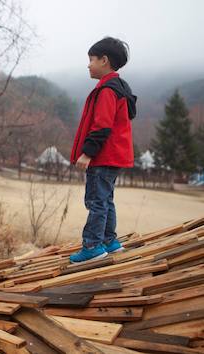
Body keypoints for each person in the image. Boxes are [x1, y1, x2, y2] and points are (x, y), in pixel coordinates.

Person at [69, 37, 137, 263]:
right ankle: (109, 241)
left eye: (91, 59)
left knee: (96, 201)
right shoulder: (120, 87)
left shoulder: (107, 90)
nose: (88, 64)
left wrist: (87, 153)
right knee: (106, 199)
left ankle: (92, 246)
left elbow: (102, 125)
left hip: (103, 156)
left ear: (104, 61)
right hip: (115, 156)